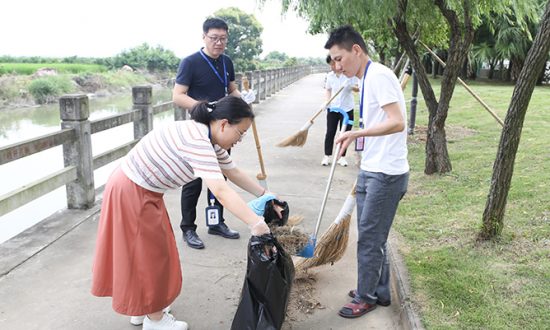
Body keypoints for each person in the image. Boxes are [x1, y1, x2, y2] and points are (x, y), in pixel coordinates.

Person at [91, 96, 276, 330]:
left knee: (143, 253)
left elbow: (233, 171)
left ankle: (145, 309)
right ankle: (155, 320)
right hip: (133, 191)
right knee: (151, 257)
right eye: (241, 133)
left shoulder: (208, 138)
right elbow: (220, 189)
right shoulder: (198, 141)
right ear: (224, 124)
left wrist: (266, 196)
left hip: (139, 189)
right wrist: (256, 223)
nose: (241, 139)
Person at [326, 25, 409, 319]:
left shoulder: (380, 77)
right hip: (373, 168)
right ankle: (378, 290)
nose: (336, 66)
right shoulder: (367, 78)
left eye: (339, 58)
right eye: (333, 61)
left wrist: (357, 132)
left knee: (370, 239)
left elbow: (397, 121)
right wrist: (357, 140)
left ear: (356, 51)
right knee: (374, 237)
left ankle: (366, 296)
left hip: (386, 174)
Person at [173, 17, 245, 249]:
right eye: (214, 38)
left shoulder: (226, 62)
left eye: (223, 38)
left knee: (220, 177)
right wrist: (207, 109)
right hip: (198, 131)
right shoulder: (190, 62)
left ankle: (216, 222)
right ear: (204, 36)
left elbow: (231, 89)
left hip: (222, 130)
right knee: (193, 181)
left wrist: (244, 106)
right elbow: (178, 95)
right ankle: (188, 228)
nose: (219, 43)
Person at [322, 54, 359, 167]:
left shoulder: (349, 75)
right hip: (333, 108)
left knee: (345, 134)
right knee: (330, 132)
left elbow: (358, 88)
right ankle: (327, 156)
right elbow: (328, 90)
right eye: (330, 65)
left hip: (347, 109)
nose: (332, 66)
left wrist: (351, 86)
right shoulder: (330, 76)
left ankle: (342, 157)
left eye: (333, 64)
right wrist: (327, 102)